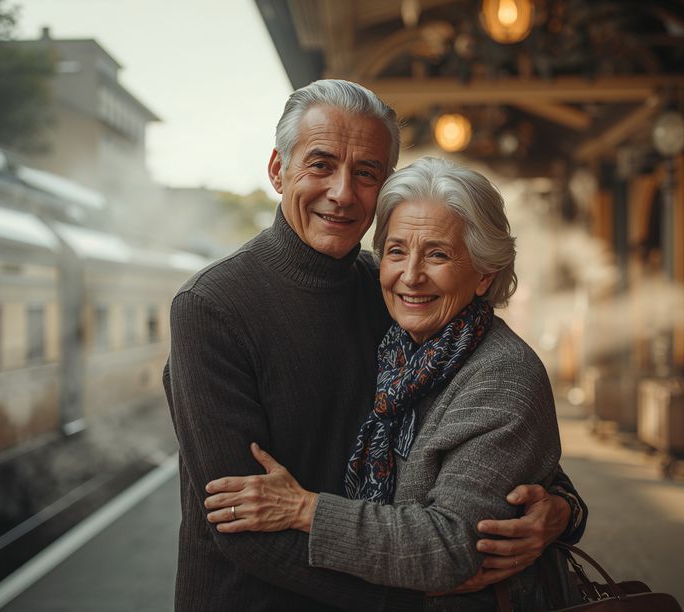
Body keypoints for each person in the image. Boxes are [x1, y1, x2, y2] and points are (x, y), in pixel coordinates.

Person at [164, 80, 585, 612]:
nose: (342, 192)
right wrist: (417, 592)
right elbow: (238, 524)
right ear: (277, 169)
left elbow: (494, 450)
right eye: (320, 164)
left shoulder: (388, 294)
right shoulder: (213, 307)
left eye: (365, 172)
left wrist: (563, 509)